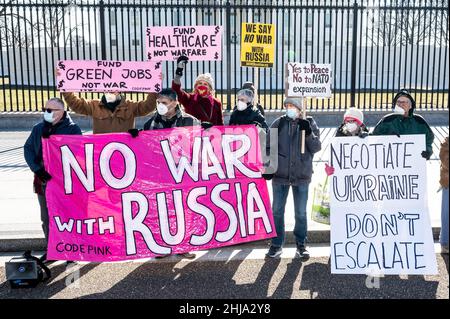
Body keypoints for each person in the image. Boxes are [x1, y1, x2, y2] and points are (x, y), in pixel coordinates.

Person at [128, 88, 199, 259]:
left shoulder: (190, 122)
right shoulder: (150, 123)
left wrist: (208, 131)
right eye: (158, 102)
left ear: (175, 103)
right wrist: (135, 138)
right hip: (159, 176)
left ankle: (183, 246)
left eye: (164, 103)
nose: (160, 106)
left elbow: (201, 146)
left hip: (181, 175)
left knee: (182, 211)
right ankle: (161, 245)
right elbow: (144, 150)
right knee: (160, 211)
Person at [263, 97, 322, 260]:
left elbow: (316, 147)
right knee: (277, 211)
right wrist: (268, 167)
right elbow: (268, 145)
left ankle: (301, 244)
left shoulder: (309, 122)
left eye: (293, 106)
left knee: (301, 212)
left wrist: (308, 132)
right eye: (287, 106)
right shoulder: (279, 123)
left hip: (301, 175)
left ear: (300, 108)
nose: (289, 108)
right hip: (280, 176)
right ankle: (276, 244)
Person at [24, 98, 82, 259]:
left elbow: (78, 154)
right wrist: (37, 169)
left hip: (65, 183)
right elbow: (28, 149)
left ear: (62, 111)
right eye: (45, 109)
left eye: (51, 110)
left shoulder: (73, 130)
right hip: (43, 180)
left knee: (67, 216)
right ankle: (53, 250)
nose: (47, 113)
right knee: (46, 217)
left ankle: (70, 249)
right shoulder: (38, 128)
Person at [56, 67, 158, 133]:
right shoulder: (94, 105)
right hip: (101, 151)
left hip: (124, 150)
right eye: (108, 87)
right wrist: (65, 84)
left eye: (115, 87)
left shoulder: (130, 106)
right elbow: (76, 105)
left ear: (120, 89)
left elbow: (148, 106)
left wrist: (155, 86)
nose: (111, 90)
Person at [371, 89, 434, 160]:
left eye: (404, 102)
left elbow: (429, 140)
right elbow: (374, 138)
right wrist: (386, 137)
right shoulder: (387, 120)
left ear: (410, 106)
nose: (401, 104)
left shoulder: (419, 121)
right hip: (391, 162)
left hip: (413, 164)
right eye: (398, 102)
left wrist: (428, 151)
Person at [171, 56, 223, 126]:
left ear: (210, 88)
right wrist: (178, 74)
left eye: (205, 84)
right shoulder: (189, 99)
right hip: (193, 134)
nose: (202, 86)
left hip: (211, 135)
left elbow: (220, 124)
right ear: (196, 86)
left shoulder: (216, 103)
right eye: (200, 83)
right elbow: (176, 91)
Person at [439, 136, 449, 254]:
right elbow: (446, 162)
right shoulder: (446, 142)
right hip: (448, 182)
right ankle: (445, 243)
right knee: (447, 213)